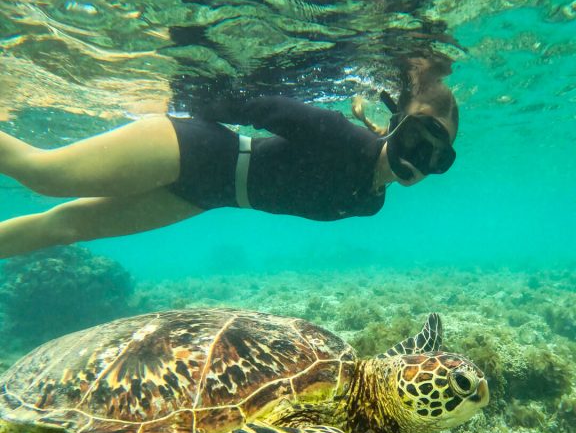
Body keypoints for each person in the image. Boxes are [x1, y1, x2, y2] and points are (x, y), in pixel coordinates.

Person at [0, 57, 458, 259]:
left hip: (207, 196)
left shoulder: (371, 203)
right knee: (45, 173)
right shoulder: (341, 137)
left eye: (438, 160)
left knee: (67, 228)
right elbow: (264, 108)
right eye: (420, 138)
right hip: (197, 149)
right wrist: (188, 106)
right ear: (399, 118)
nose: (419, 162)